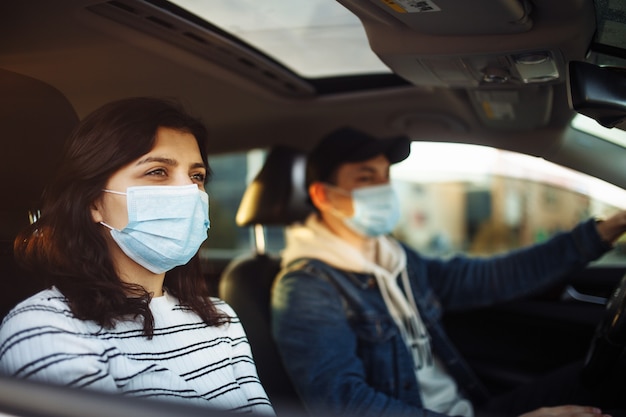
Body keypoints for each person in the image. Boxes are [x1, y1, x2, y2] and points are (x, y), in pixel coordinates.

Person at [271, 126, 626, 417]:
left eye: (385, 176)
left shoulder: (394, 257)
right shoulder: (306, 287)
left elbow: (490, 277)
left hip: (473, 409)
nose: (383, 189)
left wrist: (605, 231)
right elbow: (345, 404)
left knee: (609, 371)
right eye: (366, 178)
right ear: (322, 196)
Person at [0, 97, 274, 415]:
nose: (188, 192)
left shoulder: (218, 316)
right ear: (93, 202)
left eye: (196, 176)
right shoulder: (45, 328)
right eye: (158, 171)